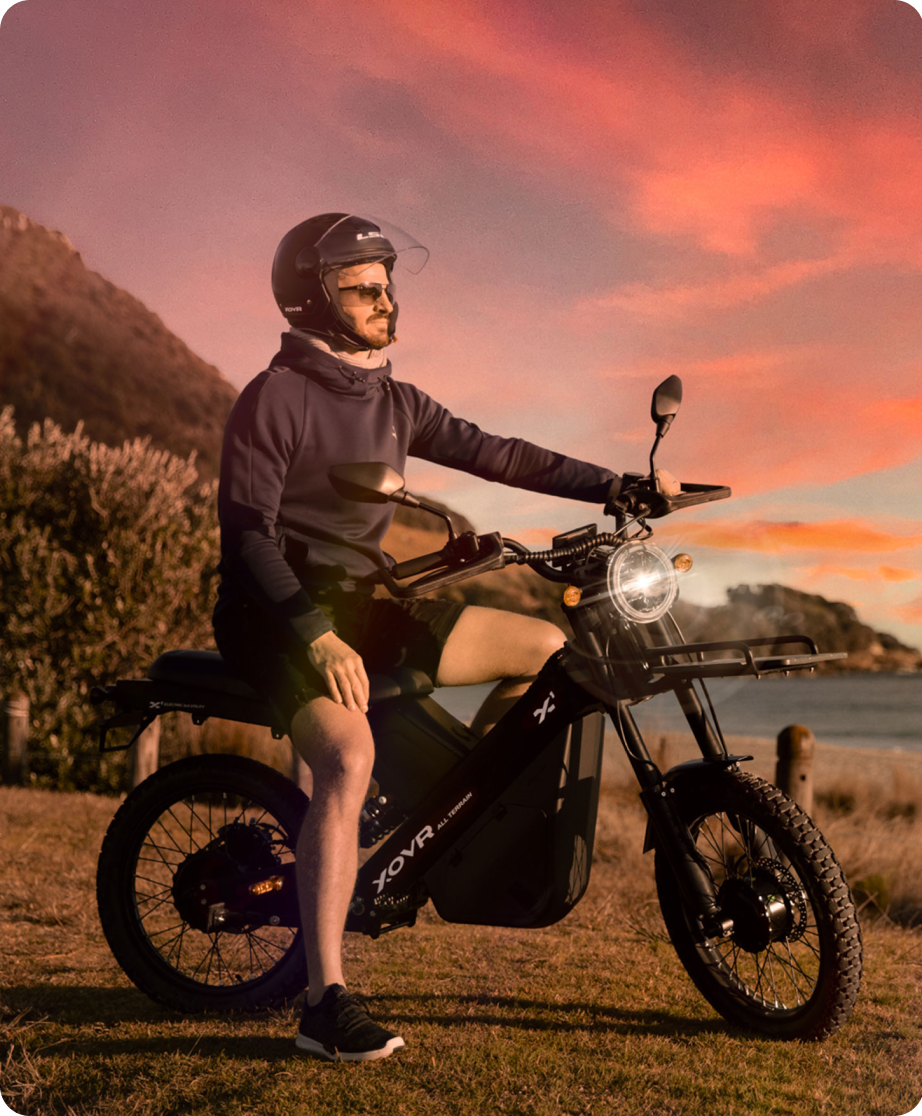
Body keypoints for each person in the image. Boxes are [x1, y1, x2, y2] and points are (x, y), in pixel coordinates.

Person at [212, 214, 621, 1061]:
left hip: (368, 600)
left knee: (549, 653)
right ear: (315, 297)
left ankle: (441, 816)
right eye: (364, 286)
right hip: (279, 613)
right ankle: (324, 1005)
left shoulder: (396, 400)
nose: (385, 299)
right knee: (347, 760)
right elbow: (247, 534)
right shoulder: (275, 397)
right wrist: (318, 637)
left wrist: (618, 486)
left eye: (388, 283)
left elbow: (502, 454)